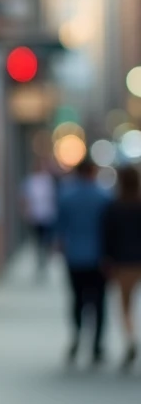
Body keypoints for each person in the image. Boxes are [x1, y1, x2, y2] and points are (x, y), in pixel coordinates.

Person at [54, 157, 111, 365]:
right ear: (93, 172)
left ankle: (77, 336)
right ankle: (96, 346)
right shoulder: (104, 196)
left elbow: (59, 228)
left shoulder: (67, 196)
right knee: (99, 302)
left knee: (77, 299)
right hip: (100, 258)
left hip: (75, 256)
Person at [102, 165, 141, 369]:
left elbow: (108, 237)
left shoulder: (114, 207)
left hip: (123, 263)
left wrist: (107, 260)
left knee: (125, 306)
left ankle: (131, 339)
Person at [20, 158, 58, 282]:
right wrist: (25, 212)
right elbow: (24, 198)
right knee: (38, 241)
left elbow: (54, 198)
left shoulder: (48, 181)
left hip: (47, 216)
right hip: (35, 217)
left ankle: (44, 261)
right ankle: (40, 261)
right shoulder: (30, 181)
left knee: (46, 241)